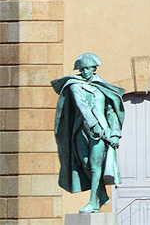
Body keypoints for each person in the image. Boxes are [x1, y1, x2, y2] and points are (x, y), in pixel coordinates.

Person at [51, 53, 125, 213]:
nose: (85, 72)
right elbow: (83, 107)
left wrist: (114, 133)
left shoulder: (102, 87)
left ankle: (93, 202)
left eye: (88, 69)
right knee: (84, 162)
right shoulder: (75, 85)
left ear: (94, 69)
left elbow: (111, 110)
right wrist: (95, 126)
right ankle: (102, 194)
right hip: (82, 130)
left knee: (95, 166)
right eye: (82, 69)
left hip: (101, 132)